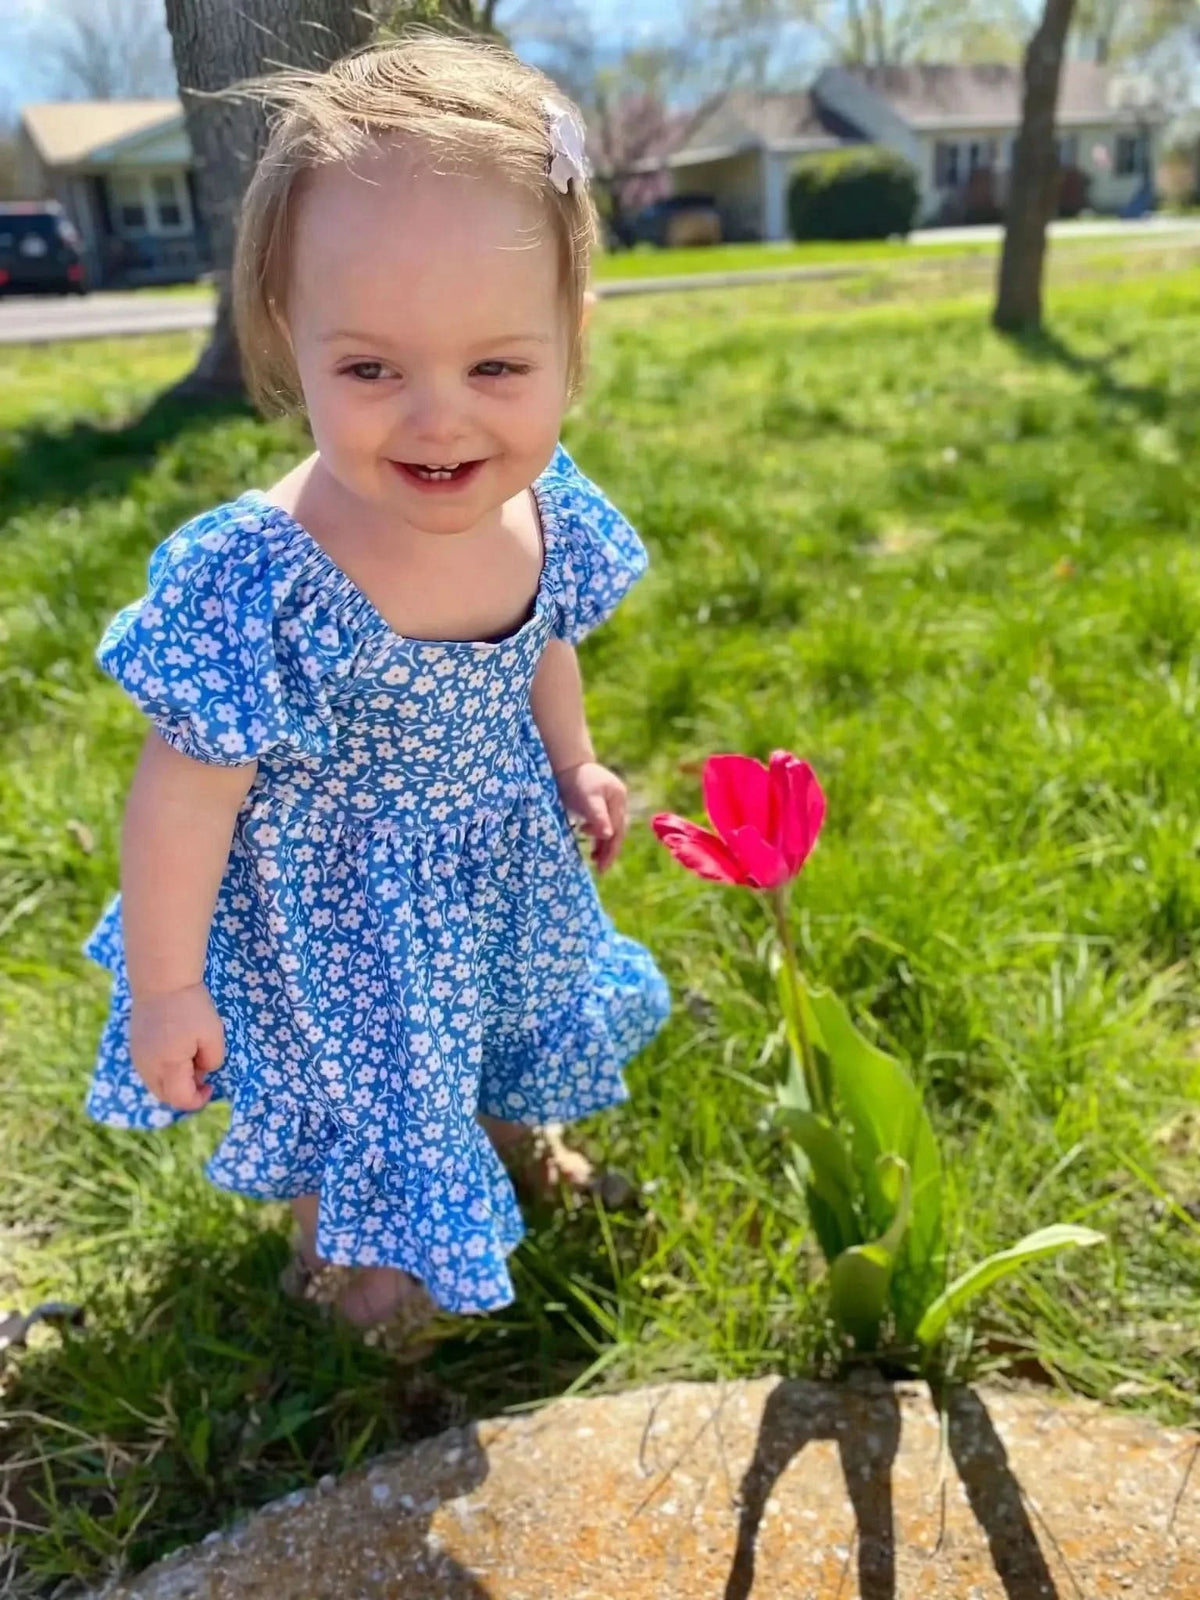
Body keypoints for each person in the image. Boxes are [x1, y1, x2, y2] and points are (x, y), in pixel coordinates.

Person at [83, 33, 670, 1335]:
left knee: (508, 1022)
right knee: (373, 1085)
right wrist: (173, 985)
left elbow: (546, 637)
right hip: (341, 905)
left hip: (496, 844)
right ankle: (352, 1255)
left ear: (570, 337)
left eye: (498, 368)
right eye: (370, 370)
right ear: (291, 340)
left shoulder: (543, 509)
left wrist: (570, 756)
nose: (440, 419)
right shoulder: (268, 575)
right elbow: (184, 794)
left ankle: (521, 1150)